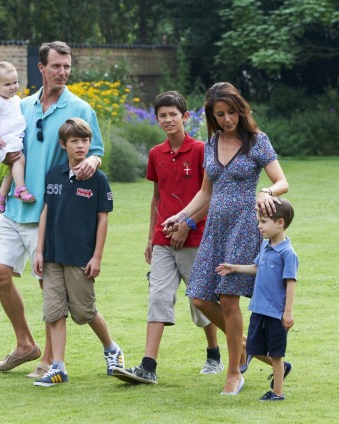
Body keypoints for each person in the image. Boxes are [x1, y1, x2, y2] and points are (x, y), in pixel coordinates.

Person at [162, 82, 289, 395]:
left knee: (230, 300)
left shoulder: (257, 141)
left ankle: (234, 372)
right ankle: (245, 347)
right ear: (212, 116)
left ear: (240, 110)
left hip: (245, 228)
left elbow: (281, 181)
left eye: (232, 112)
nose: (227, 118)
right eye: (220, 114)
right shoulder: (211, 144)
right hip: (215, 229)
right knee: (200, 296)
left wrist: (266, 191)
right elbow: (206, 192)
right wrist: (180, 217)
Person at [0, 41, 104, 378]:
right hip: (13, 207)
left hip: (49, 213)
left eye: (67, 66)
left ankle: (50, 360)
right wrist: (3, 153)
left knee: (47, 286)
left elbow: (96, 149)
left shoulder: (80, 108)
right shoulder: (20, 105)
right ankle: (25, 344)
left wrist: (93, 162)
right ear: (41, 68)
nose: (63, 72)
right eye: (56, 66)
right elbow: (4, 140)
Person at [111, 91, 220, 385]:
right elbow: (157, 196)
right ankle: (148, 367)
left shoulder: (201, 150)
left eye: (174, 114)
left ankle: (215, 354)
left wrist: (187, 223)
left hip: (195, 238)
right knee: (157, 296)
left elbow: (210, 195)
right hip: (163, 239)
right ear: (157, 119)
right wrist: (151, 236)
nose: (168, 119)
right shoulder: (155, 154)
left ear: (185, 117)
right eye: (163, 115)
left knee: (202, 301)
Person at [32, 118, 123, 387]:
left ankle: (111, 349)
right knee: (54, 312)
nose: (81, 145)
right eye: (75, 141)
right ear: (64, 145)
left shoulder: (98, 179)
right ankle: (58, 367)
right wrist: (39, 251)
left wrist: (97, 257)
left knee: (84, 313)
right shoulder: (53, 175)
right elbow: (46, 212)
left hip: (80, 258)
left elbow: (103, 219)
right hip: (52, 257)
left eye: (85, 140)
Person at [216, 198, 298, 401]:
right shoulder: (265, 246)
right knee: (252, 347)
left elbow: (290, 283)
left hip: (275, 313)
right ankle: (272, 367)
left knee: (276, 353)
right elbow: (257, 267)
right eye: (259, 221)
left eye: (263, 222)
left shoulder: (287, 253)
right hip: (259, 309)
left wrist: (287, 312)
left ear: (280, 223)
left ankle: (278, 393)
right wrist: (234, 268)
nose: (259, 226)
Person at [0, 61, 35, 212]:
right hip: (2, 140)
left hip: (12, 139)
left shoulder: (16, 100)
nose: (13, 87)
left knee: (14, 168)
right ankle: (20, 189)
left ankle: (0, 195)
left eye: (15, 82)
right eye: (7, 84)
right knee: (20, 159)